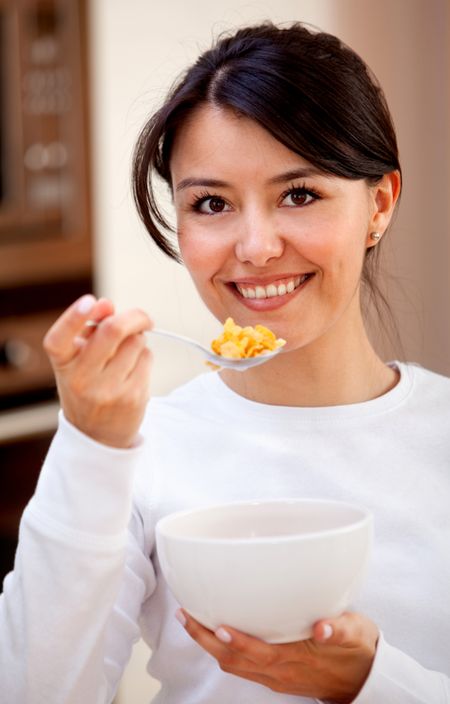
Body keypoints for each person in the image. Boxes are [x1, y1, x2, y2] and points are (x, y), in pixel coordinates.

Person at [1, 21, 449, 704]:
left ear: (379, 204)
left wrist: (373, 682)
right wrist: (91, 445)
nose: (256, 246)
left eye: (298, 194)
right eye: (211, 204)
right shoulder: (134, 450)